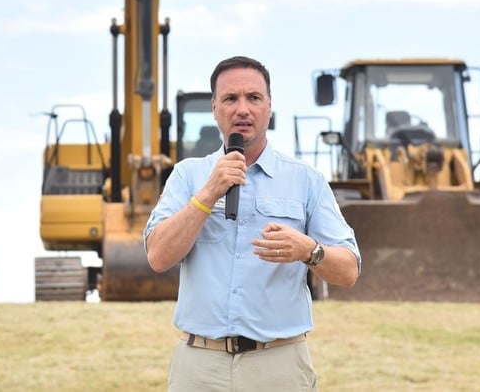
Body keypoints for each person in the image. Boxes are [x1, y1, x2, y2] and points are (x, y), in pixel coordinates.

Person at [143, 55, 361, 391]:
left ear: (269, 108)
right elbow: (158, 256)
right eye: (230, 99)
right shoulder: (188, 176)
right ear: (215, 108)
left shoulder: (307, 181)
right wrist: (207, 195)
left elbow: (348, 271)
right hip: (200, 366)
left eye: (254, 98)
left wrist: (308, 250)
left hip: (279, 365)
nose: (242, 109)